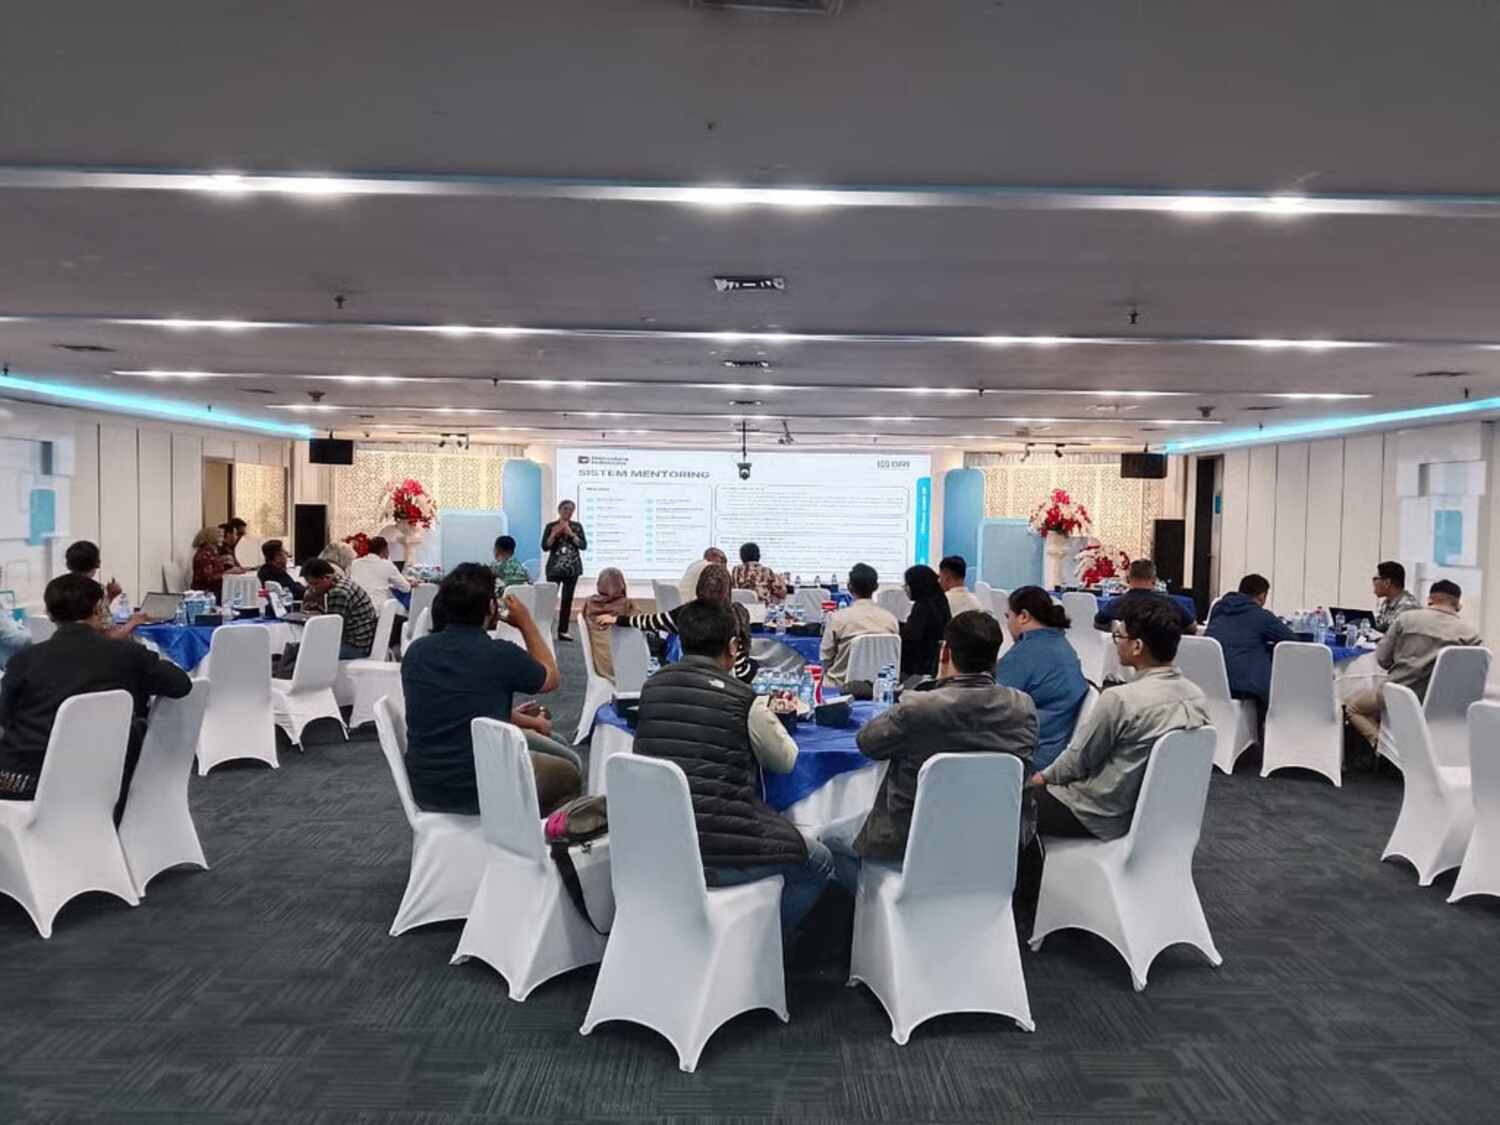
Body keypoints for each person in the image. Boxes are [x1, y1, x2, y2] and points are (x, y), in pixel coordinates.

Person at [633, 599, 833, 937]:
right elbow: (785, 760)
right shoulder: (744, 700)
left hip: (658, 840)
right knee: (819, 861)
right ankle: (765, 943)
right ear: (732, 647)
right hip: (723, 848)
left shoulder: (652, 687)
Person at [823, 611, 1038, 892]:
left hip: (908, 838)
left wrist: (933, 685)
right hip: (997, 840)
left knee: (827, 839)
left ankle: (873, 905)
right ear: (995, 657)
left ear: (945, 652)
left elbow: (867, 743)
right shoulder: (1023, 707)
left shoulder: (920, 708)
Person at [0, 574, 191, 822]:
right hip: (105, 779)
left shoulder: (23, 661)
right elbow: (180, 684)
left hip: (24, 779)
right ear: (98, 609)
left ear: (49, 613)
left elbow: (5, 718)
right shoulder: (128, 655)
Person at [402, 563, 580, 816]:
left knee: (557, 744)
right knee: (569, 772)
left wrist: (518, 717)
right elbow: (551, 678)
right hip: (483, 785)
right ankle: (531, 832)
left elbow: (455, 707)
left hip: (427, 787)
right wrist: (526, 623)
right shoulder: (500, 655)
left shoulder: (417, 652)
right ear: (490, 607)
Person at [1028, 599, 1210, 840]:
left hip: (1096, 813)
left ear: (1137, 646)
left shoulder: (1121, 699)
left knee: (1008, 800)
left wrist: (1041, 778)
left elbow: (1079, 760)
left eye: (1119, 636)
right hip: (1151, 814)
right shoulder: (1197, 697)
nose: (1116, 643)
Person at [1346, 579, 1483, 748]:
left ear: (1430, 600)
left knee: (1353, 707)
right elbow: (1472, 677)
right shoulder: (1471, 635)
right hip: (1444, 708)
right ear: (1458, 605)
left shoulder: (1407, 619)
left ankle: (1383, 746)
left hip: (1398, 695)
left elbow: (1382, 658)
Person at [598, 563, 757, 683]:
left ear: (699, 586)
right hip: (726, 690)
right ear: (728, 589)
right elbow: (741, 673)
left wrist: (617, 620)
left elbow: (650, 621)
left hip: (689, 682)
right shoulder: (737, 615)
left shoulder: (685, 613)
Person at [996, 586, 1089, 770]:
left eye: (1008, 616)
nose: (1008, 623)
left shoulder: (1026, 653)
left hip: (1031, 754)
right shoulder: (1060, 644)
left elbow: (988, 704)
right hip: (1053, 745)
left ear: (1023, 616)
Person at [1204, 573, 1294, 738]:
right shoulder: (1261, 616)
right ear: (1262, 596)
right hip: (1243, 685)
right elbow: (1292, 641)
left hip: (1212, 681)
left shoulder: (1219, 609)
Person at [818, 563, 900, 688]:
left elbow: (825, 658)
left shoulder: (838, 619)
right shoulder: (891, 619)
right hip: (881, 687)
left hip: (841, 686)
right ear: (876, 587)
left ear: (849, 587)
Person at [63, 539, 147, 638]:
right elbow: (108, 636)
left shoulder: (59, 588)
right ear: (96, 563)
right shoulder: (94, 589)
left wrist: (110, 597)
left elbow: (90, 612)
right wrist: (134, 622)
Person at [299, 557, 380, 659]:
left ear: (327, 577)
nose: (312, 588)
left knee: (306, 653)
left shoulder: (338, 593)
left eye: (315, 584)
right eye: (308, 584)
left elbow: (333, 630)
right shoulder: (341, 581)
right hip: (362, 641)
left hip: (355, 647)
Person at [1093, 559, 1195, 634]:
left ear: (1128, 579)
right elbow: (1192, 627)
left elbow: (1098, 623)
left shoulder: (1116, 603)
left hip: (1127, 653)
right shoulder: (1170, 603)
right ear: (1154, 579)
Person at [581, 567, 638, 681]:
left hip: (599, 666)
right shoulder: (628, 605)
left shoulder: (588, 604)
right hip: (624, 668)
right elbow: (640, 630)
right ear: (621, 584)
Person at [542, 500, 587, 642]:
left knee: (567, 600)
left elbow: (583, 545)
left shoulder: (577, 527)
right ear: (559, 510)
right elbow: (545, 546)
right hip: (554, 569)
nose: (568, 512)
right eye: (566, 508)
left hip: (572, 569)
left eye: (571, 509)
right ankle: (546, 629)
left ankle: (563, 631)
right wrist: (554, 534)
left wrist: (571, 534)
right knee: (550, 600)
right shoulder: (551, 526)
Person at [899, 564, 951, 681]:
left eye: (907, 584)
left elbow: (910, 639)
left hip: (919, 670)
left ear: (916, 584)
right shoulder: (940, 600)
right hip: (936, 666)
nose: (905, 588)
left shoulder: (922, 607)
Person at [349, 535, 413, 608]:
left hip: (357, 608)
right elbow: (406, 588)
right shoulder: (387, 565)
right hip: (378, 609)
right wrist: (410, 584)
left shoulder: (355, 563)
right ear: (385, 550)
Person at [190, 525, 248, 600]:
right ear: (211, 538)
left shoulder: (213, 553)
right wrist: (229, 572)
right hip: (206, 594)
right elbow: (208, 578)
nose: (222, 540)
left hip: (214, 590)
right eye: (220, 537)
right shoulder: (205, 554)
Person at [1372, 560, 1421, 633]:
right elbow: (1378, 626)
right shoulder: (1387, 603)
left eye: (1375, 579)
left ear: (1387, 583)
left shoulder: (1409, 606)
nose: (1373, 583)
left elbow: (1393, 634)